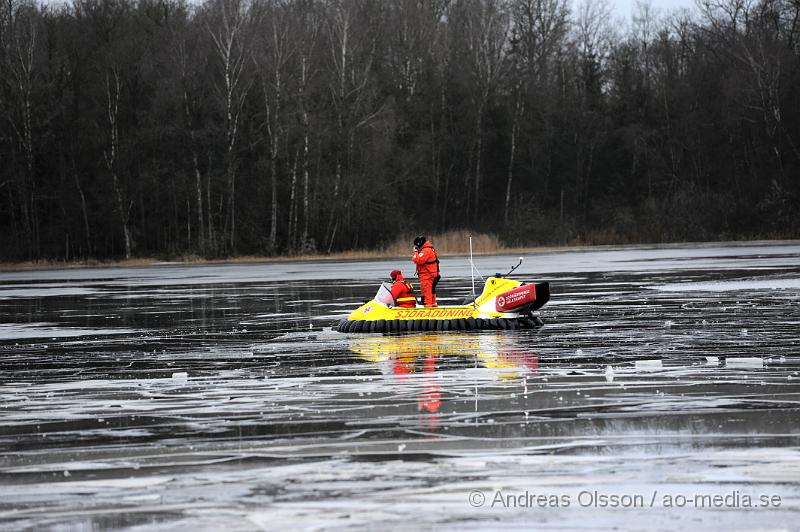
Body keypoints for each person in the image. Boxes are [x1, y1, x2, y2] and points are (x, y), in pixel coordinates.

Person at [411, 235, 440, 307]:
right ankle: (433, 306)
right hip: (432, 274)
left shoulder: (426, 250)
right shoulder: (429, 248)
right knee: (431, 292)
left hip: (428, 275)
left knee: (427, 293)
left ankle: (428, 309)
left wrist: (415, 252)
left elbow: (418, 260)